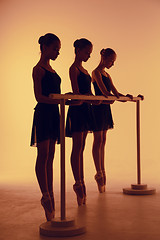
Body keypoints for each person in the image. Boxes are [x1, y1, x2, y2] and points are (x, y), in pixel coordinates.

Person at [92, 48, 133, 193]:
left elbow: (114, 92)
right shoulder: (96, 72)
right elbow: (104, 92)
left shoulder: (107, 74)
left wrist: (128, 98)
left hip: (105, 109)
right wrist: (112, 99)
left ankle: (102, 171)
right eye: (111, 61)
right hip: (98, 108)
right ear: (104, 58)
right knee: (98, 140)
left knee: (103, 140)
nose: (112, 64)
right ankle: (99, 172)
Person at [30, 33, 61, 221]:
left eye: (59, 49)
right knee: (43, 155)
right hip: (43, 113)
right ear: (45, 48)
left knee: (51, 156)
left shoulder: (52, 69)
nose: (58, 52)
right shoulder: (38, 69)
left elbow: (54, 94)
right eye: (55, 49)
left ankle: (50, 193)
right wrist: (57, 99)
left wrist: (65, 99)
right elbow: (39, 97)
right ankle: (45, 195)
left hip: (54, 114)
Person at [66, 38, 94, 206]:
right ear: (77, 50)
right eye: (86, 53)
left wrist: (96, 100)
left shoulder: (84, 69)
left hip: (85, 109)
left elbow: (88, 93)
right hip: (77, 110)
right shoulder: (74, 68)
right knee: (77, 148)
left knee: (82, 147)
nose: (89, 56)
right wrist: (89, 99)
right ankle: (78, 183)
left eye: (90, 53)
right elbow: (77, 94)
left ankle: (81, 181)